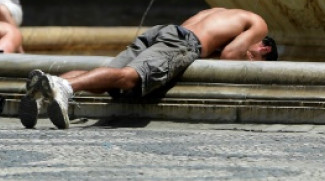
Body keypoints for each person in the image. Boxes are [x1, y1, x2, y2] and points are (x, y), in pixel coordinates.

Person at [19, 7, 278, 130]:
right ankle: (64, 87)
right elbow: (232, 55)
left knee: (107, 75)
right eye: (255, 58)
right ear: (264, 49)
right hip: (185, 42)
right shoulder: (259, 22)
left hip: (166, 30)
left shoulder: (221, 11)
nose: (251, 58)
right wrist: (245, 59)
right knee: (129, 78)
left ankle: (44, 88)